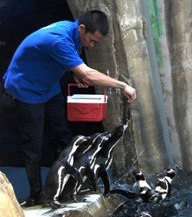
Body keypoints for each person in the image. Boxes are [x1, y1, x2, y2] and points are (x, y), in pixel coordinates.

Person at [3, 10, 136, 206]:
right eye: (92, 41)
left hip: (49, 87)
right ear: (82, 28)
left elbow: (63, 59)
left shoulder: (74, 32)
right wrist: (122, 85)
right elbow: (89, 74)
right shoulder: (58, 38)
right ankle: (36, 195)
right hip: (26, 90)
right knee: (33, 144)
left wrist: (74, 73)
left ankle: (68, 182)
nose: (91, 46)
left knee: (62, 135)